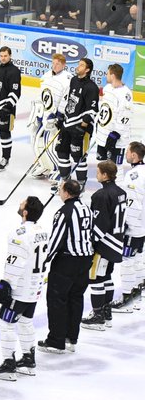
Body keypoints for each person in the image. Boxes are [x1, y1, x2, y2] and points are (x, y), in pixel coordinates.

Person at [0, 196, 49, 380]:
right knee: (25, 322)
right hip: (34, 287)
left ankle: (8, 364)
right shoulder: (43, 231)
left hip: (19, 289)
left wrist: (5, 285)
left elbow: (15, 262)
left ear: (25, 212)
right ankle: (29, 360)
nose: (20, 204)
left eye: (22, 203)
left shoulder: (19, 233)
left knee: (6, 324)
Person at [40, 179, 94, 353]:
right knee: (75, 298)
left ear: (67, 193)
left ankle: (56, 340)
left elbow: (56, 240)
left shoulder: (64, 212)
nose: (59, 192)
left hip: (67, 262)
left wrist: (43, 260)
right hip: (85, 260)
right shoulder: (86, 209)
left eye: (61, 189)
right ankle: (72, 338)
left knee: (57, 299)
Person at [81, 161, 127, 331]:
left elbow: (100, 224)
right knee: (107, 277)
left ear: (105, 175)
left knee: (95, 278)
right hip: (117, 242)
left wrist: (90, 244)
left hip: (104, 244)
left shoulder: (100, 195)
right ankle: (107, 314)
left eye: (99, 172)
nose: (96, 174)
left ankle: (98, 316)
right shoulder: (121, 192)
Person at [55, 58, 101, 188]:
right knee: (62, 152)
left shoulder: (92, 87)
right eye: (78, 64)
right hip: (68, 124)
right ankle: (65, 180)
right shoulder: (74, 80)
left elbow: (92, 110)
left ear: (87, 70)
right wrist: (62, 117)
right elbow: (70, 101)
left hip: (80, 128)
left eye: (81, 65)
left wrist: (83, 127)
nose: (78, 66)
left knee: (78, 156)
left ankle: (80, 184)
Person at [30, 54, 72, 179]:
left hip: (55, 117)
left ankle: (59, 169)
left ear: (64, 65)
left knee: (53, 145)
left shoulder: (68, 79)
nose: (54, 66)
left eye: (58, 64)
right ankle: (45, 165)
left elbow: (66, 100)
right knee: (37, 140)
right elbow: (43, 95)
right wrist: (39, 112)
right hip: (44, 114)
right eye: (53, 63)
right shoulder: (46, 76)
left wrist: (59, 115)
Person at [114, 142, 145, 309]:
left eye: (127, 152)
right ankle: (138, 290)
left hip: (136, 226)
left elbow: (133, 204)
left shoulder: (134, 176)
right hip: (143, 225)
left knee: (127, 260)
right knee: (139, 257)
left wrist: (127, 226)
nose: (125, 154)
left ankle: (127, 298)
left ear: (134, 155)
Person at [94, 63, 132, 165]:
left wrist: (115, 134)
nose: (106, 75)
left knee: (114, 168)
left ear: (113, 75)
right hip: (103, 136)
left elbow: (125, 116)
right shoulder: (107, 88)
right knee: (102, 167)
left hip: (116, 140)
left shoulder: (125, 94)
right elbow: (103, 107)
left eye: (107, 73)